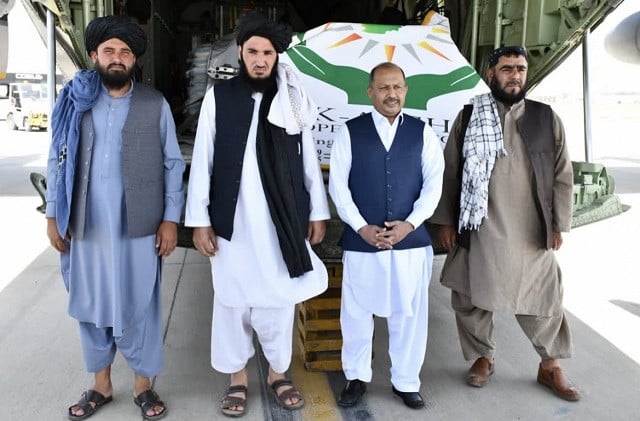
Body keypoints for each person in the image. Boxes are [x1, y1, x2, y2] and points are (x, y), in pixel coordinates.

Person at [184, 11, 330, 418]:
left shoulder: (293, 97)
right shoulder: (221, 95)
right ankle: (237, 379)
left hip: (280, 217)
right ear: (242, 53)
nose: (261, 59)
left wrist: (317, 212)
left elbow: (307, 162)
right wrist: (199, 220)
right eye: (253, 51)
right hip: (232, 217)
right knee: (232, 300)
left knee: (279, 298)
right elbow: (204, 160)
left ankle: (278, 374)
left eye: (268, 52)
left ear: (277, 55)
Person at [45, 15, 185, 421]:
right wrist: (54, 214)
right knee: (90, 304)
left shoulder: (154, 104)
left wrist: (170, 219)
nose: (117, 58)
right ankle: (101, 385)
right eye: (109, 51)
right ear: (94, 55)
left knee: (140, 303)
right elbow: (58, 158)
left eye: (125, 52)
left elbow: (173, 164)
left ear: (134, 59)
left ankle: (144, 386)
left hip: (137, 227)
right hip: (85, 226)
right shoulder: (75, 101)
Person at [429, 45, 580, 401]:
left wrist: (559, 223)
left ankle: (550, 364)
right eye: (507, 68)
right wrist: (446, 223)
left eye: (521, 69)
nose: (515, 75)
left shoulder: (545, 117)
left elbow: (563, 174)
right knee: (470, 294)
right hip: (479, 226)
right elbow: (450, 173)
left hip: (530, 227)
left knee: (543, 297)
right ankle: (483, 357)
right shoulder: (468, 118)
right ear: (491, 74)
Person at [329, 62, 444, 409]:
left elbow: (433, 185)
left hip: (410, 243)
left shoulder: (423, 133)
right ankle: (356, 377)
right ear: (370, 92)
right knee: (356, 313)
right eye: (383, 88)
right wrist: (361, 227)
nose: (391, 94)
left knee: (409, 314)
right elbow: (338, 187)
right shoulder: (349, 132)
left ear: (406, 90)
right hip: (364, 242)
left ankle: (406, 380)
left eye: (397, 87)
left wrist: (410, 224)